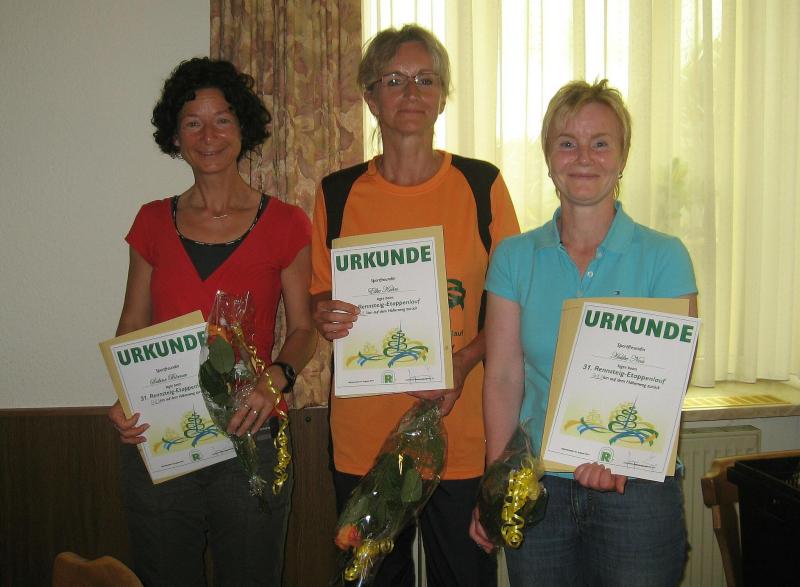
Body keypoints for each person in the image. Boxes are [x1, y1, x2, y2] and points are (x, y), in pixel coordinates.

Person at [310, 25, 520, 587]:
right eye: (394, 80)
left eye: (426, 80)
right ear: (370, 97)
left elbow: (512, 309)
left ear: (443, 97)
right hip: (364, 438)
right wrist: (325, 311)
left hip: (461, 432)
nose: (411, 92)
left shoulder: (482, 185)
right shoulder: (337, 193)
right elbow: (320, 290)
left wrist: (464, 361)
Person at [469, 79, 698, 586]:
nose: (584, 158)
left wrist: (621, 457)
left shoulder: (665, 256)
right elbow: (503, 378)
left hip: (636, 490)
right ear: (549, 157)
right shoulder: (514, 257)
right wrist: (496, 487)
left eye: (600, 143)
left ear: (623, 157)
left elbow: (668, 383)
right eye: (567, 143)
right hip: (536, 490)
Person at [107, 57, 316, 586]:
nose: (208, 135)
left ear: (242, 127)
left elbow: (303, 329)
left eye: (222, 119)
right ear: (175, 136)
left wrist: (275, 379)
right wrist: (125, 393)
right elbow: (132, 322)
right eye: (193, 123)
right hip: (162, 431)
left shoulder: (287, 223)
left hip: (253, 430)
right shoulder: (151, 221)